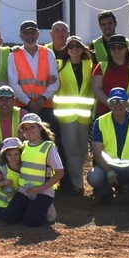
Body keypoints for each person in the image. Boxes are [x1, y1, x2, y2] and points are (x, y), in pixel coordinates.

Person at [0, 115, 61, 228]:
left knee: (32, 222)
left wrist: (40, 189)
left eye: (32, 127)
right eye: (25, 128)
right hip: (25, 190)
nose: (29, 131)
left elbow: (60, 173)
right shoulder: (24, 146)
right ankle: (31, 207)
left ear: (40, 127)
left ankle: (47, 208)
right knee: (9, 218)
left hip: (43, 191)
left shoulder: (48, 147)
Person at [87, 88, 129, 203]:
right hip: (109, 166)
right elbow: (97, 152)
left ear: (127, 102)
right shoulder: (100, 122)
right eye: (114, 101)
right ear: (109, 103)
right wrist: (108, 171)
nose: (118, 104)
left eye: (121, 101)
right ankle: (105, 193)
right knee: (94, 176)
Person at [53, 38, 95, 192]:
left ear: (83, 48)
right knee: (72, 150)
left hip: (84, 115)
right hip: (66, 114)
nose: (74, 49)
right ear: (67, 49)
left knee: (83, 149)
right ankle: (77, 184)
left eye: (78, 46)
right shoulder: (59, 65)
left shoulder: (89, 65)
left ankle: (78, 180)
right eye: (71, 46)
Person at [9, 20, 59, 130]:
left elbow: (56, 82)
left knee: (50, 140)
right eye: (26, 33)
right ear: (21, 36)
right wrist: (29, 102)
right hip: (23, 106)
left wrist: (42, 99)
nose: (30, 36)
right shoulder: (14, 55)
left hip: (45, 105)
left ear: (38, 34)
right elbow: (13, 83)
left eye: (33, 33)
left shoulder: (48, 53)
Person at [92, 35, 129, 115]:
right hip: (105, 111)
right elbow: (96, 87)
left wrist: (126, 102)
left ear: (125, 49)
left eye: (120, 47)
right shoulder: (101, 66)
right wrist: (109, 102)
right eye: (113, 48)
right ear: (109, 50)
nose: (116, 50)